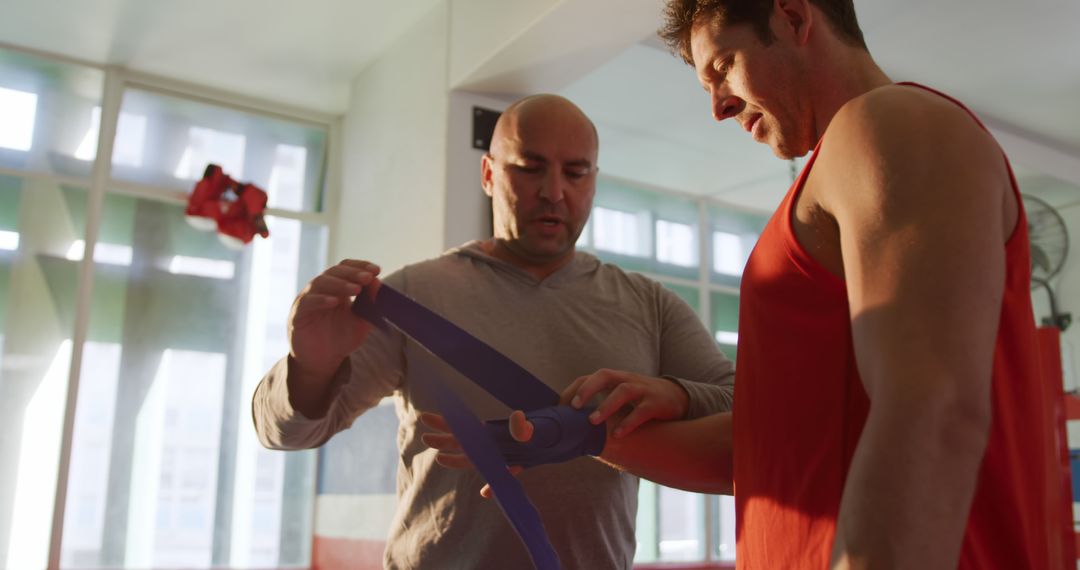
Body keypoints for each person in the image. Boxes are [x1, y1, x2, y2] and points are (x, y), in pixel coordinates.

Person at [431, 1, 1065, 568]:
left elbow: (934, 409)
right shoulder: (833, 174)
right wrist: (583, 438)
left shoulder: (891, 123)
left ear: (792, 16)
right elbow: (764, 450)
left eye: (724, 67)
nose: (717, 107)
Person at [251, 94, 736, 569]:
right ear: (488, 174)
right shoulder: (415, 293)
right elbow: (287, 433)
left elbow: (746, 408)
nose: (553, 191)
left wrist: (675, 394)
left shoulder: (648, 304)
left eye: (575, 172)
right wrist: (308, 370)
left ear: (594, 181)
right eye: (529, 167)